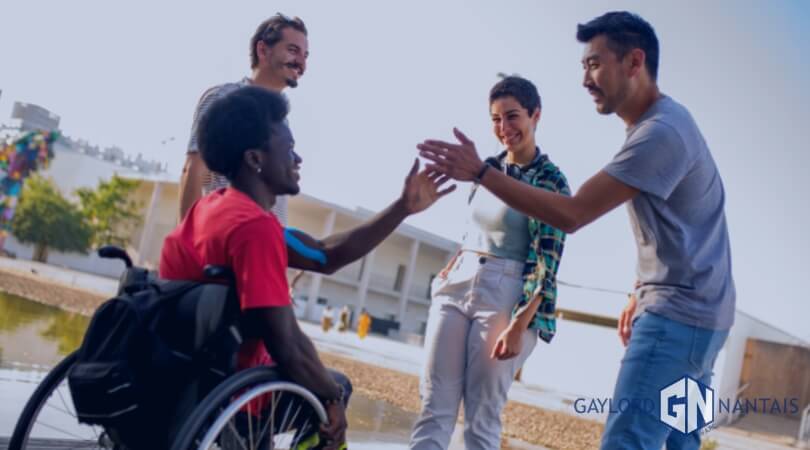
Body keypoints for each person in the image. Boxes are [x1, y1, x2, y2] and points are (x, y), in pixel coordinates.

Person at [417, 12, 735, 450]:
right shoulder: (666, 123)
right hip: (707, 320)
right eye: (584, 66)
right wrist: (640, 286)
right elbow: (688, 222)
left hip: (675, 321)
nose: (585, 78)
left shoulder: (660, 134)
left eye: (594, 64)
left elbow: (572, 214)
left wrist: (480, 173)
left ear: (634, 61)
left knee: (628, 441)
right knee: (682, 444)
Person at [161, 87, 453, 449]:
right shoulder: (254, 229)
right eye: (288, 149)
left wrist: (402, 208)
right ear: (255, 159)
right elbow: (287, 344)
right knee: (335, 389)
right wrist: (331, 398)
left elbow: (324, 254)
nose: (298, 159)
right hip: (228, 393)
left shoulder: (211, 210)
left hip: (180, 379)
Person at [409, 76, 570, 450]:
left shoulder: (551, 181)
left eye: (512, 117)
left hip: (509, 292)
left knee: (482, 417)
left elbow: (549, 259)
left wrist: (520, 323)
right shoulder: (488, 169)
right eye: (496, 119)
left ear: (535, 116)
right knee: (434, 407)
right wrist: (454, 263)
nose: (504, 128)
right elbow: (476, 231)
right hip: (458, 285)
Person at [179, 13, 309, 223]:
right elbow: (193, 170)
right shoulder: (224, 98)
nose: (301, 62)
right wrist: (188, 246)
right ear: (263, 50)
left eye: (306, 55)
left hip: (258, 244)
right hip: (223, 237)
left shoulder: (281, 121)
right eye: (293, 50)